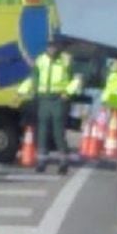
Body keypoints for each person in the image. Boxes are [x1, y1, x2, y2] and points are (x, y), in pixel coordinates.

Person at [18, 37, 82, 174]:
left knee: (58, 131)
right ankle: (42, 161)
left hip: (59, 99)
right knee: (42, 130)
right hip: (43, 99)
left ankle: (64, 161)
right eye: (50, 46)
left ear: (58, 47)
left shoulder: (66, 60)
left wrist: (67, 92)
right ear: (47, 47)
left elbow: (76, 79)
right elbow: (33, 78)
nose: (52, 49)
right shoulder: (41, 60)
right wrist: (21, 92)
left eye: (54, 46)